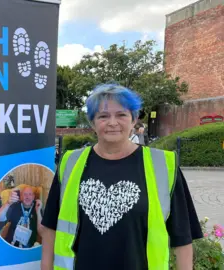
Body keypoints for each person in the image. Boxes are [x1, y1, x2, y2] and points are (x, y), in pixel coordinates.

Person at [40, 84, 202, 270]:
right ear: (92, 123)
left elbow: (182, 236)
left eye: (121, 115)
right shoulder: (70, 163)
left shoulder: (164, 165)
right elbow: (50, 227)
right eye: (103, 116)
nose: (112, 122)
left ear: (134, 120)